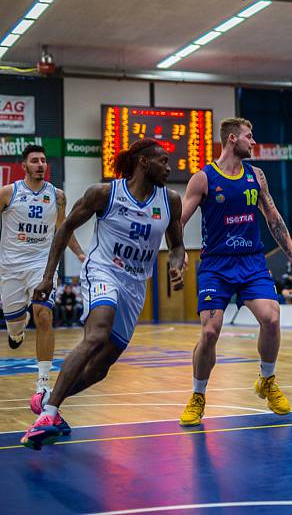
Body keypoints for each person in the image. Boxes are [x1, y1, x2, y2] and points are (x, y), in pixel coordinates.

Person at [19, 138, 185, 449]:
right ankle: (49, 415)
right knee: (97, 334)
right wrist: (47, 277)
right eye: (163, 161)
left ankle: (48, 402)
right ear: (143, 163)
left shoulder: (171, 200)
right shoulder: (105, 193)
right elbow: (64, 228)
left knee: (100, 368)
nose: (169, 167)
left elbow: (176, 246)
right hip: (103, 270)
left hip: (136, 285)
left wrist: (177, 264)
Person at [178, 118, 292, 426]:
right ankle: (198, 395)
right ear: (231, 140)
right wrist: (178, 249)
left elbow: (274, 218)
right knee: (210, 332)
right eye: (249, 138)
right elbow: (179, 221)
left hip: (252, 262)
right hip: (216, 265)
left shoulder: (257, 176)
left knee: (272, 318)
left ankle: (267, 380)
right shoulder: (204, 178)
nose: (253, 143)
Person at [0, 144, 85, 393]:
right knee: (15, 325)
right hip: (11, 268)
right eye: (35, 161)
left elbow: (63, 228)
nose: (40, 165)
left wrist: (79, 253)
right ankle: (17, 331)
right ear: (24, 165)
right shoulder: (8, 193)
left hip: (42, 264)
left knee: (44, 315)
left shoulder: (57, 195)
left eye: (44, 161)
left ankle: (43, 383)